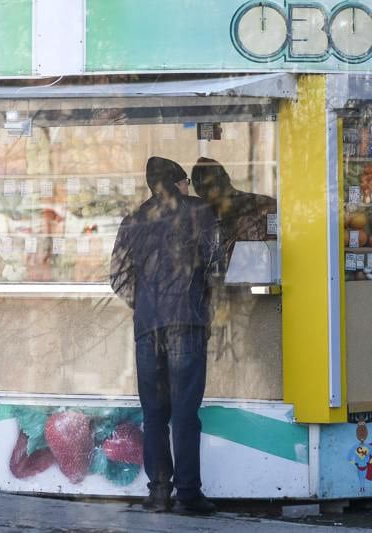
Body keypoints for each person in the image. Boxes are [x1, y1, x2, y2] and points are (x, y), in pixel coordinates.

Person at [110, 156, 218, 515]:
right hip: (186, 323)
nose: (189, 187)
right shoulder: (200, 212)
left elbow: (119, 277)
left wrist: (144, 305)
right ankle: (188, 493)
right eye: (186, 180)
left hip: (148, 327)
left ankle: (158, 493)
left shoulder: (134, 220)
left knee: (154, 412)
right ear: (178, 182)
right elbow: (216, 264)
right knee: (185, 411)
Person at [190, 157, 277, 258]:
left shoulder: (265, 207)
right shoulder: (205, 219)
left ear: (226, 178)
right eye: (202, 190)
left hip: (262, 271)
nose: (213, 190)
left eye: (212, 185)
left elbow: (279, 248)